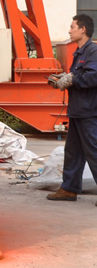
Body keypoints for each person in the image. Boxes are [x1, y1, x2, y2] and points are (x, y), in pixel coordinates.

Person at [47, 14, 97, 202]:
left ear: (83, 29)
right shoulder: (80, 52)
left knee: (94, 151)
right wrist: (63, 78)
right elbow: (78, 76)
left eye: (72, 27)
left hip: (89, 111)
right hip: (77, 110)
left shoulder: (93, 51)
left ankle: (70, 188)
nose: (69, 31)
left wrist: (72, 79)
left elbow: (92, 77)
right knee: (73, 152)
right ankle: (69, 189)